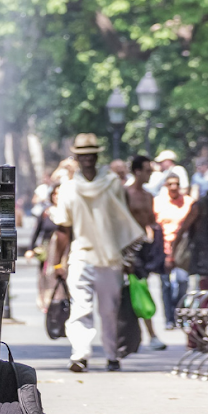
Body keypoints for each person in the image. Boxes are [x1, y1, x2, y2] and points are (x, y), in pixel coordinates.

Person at [52, 133, 145, 373]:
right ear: (77, 157)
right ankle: (80, 355)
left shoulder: (113, 183)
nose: (88, 160)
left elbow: (124, 220)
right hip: (82, 255)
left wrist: (128, 257)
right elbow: (63, 228)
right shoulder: (69, 188)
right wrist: (56, 263)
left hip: (111, 257)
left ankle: (112, 355)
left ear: (97, 156)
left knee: (109, 311)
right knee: (80, 309)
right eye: (83, 155)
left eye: (91, 155)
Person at [124, 156, 166, 350]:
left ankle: (147, 335)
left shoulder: (149, 196)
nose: (150, 174)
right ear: (137, 171)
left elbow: (150, 222)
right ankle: (139, 335)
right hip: (126, 248)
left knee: (141, 289)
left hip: (143, 248)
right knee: (131, 291)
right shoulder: (125, 193)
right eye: (148, 170)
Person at [154, 173, 194, 329]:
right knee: (166, 284)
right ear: (166, 186)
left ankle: (179, 313)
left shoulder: (189, 202)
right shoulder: (158, 203)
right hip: (163, 248)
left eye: (176, 183)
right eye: (170, 184)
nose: (174, 187)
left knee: (183, 281)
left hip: (183, 249)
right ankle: (169, 318)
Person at [26, 184, 60, 312]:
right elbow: (36, 231)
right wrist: (30, 249)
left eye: (59, 194)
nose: (57, 197)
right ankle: (46, 301)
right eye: (55, 194)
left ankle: (60, 300)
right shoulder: (46, 213)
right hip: (47, 249)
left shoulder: (68, 212)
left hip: (64, 250)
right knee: (45, 275)